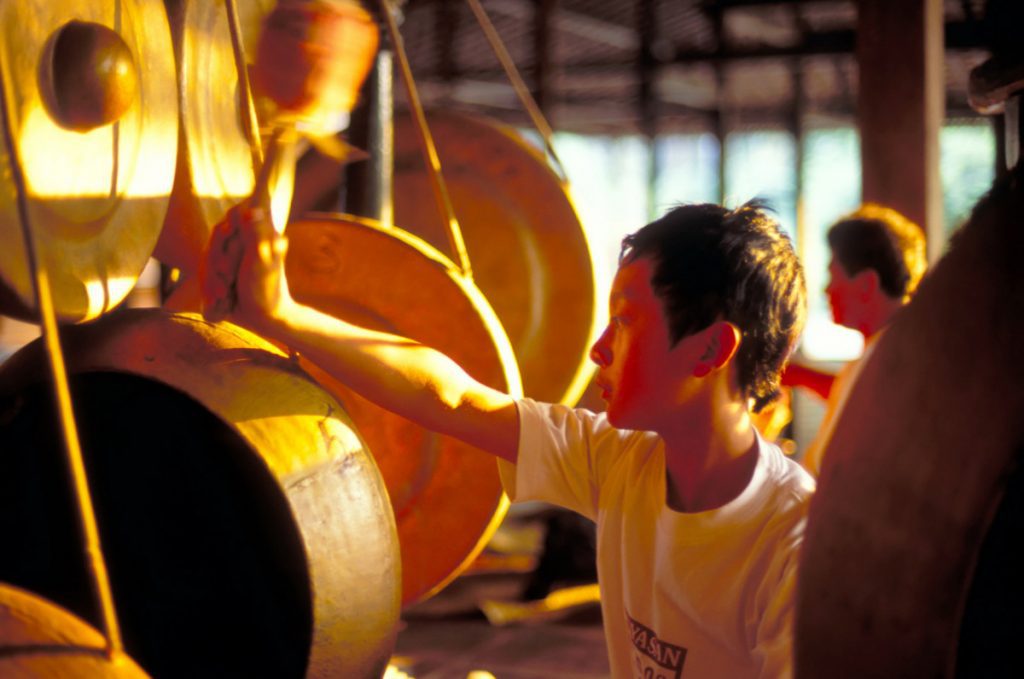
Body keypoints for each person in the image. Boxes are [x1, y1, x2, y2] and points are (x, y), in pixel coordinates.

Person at [206, 199, 815, 678]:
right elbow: (452, 397)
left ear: (710, 348)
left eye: (625, 321)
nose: (600, 348)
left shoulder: (795, 543)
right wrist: (278, 315)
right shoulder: (617, 461)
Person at [787, 203, 927, 475]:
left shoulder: (898, 357)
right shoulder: (883, 350)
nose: (826, 289)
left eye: (832, 274)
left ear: (866, 284)